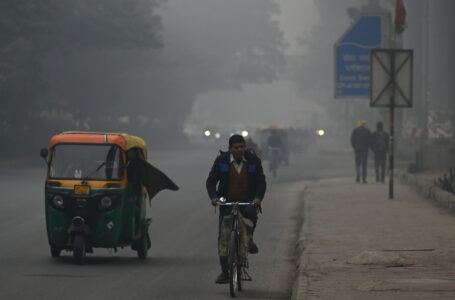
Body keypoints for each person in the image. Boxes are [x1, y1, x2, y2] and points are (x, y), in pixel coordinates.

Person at [206, 134, 266, 284]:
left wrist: (258, 198)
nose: (240, 150)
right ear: (230, 149)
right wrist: (214, 197)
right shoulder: (221, 161)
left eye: (242, 147)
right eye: (236, 147)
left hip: (248, 200)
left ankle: (248, 240)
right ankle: (225, 272)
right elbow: (211, 181)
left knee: (251, 215)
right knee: (224, 238)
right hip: (227, 201)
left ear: (245, 147)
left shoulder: (253, 160)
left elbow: (261, 182)